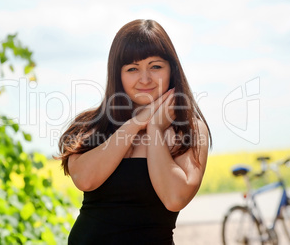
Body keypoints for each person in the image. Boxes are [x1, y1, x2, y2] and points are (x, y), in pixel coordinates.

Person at [58, 19, 211, 245]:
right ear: (117, 74)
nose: (145, 78)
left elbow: (175, 198)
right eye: (132, 69)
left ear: (172, 69)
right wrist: (135, 123)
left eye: (156, 66)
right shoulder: (91, 125)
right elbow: (85, 180)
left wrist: (155, 129)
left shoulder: (189, 129)